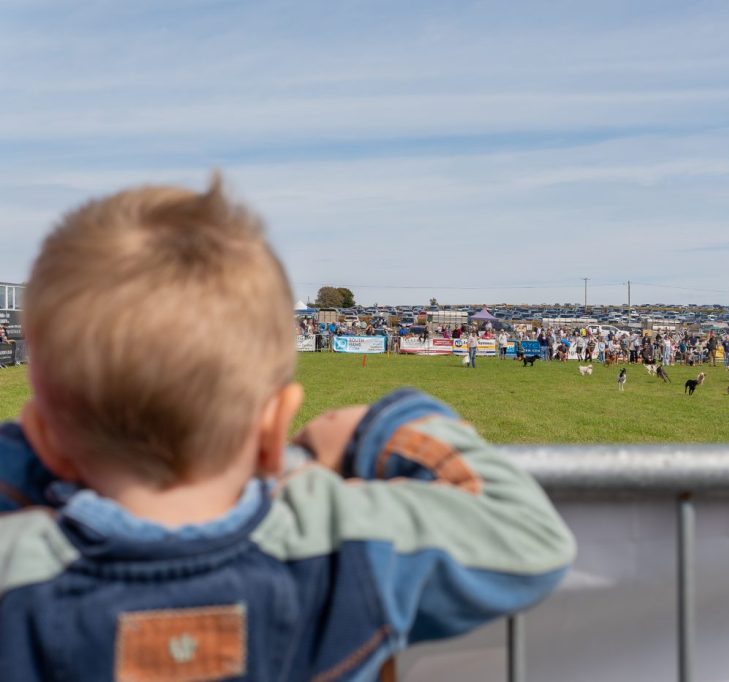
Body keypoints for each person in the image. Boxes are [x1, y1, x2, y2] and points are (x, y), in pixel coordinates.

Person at [0, 178, 574, 681]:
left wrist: (37, 453)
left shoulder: (18, 567)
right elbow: (530, 537)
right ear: (278, 425)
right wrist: (382, 428)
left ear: (46, 438)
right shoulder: (346, 540)